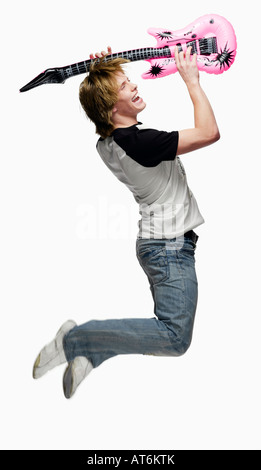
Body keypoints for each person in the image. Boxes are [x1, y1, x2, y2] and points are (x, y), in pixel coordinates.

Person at [33, 45, 220, 399]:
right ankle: (77, 339)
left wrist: (97, 72)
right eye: (123, 87)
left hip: (159, 245)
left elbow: (105, 118)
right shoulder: (141, 144)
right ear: (110, 108)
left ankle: (94, 352)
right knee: (175, 338)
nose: (134, 86)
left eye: (129, 80)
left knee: (172, 334)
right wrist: (192, 81)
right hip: (169, 248)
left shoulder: (109, 143)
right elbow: (209, 132)